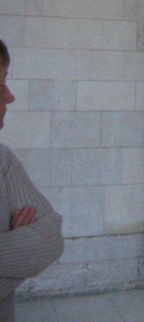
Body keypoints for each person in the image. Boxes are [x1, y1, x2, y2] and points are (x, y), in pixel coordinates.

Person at [0, 39, 64, 321]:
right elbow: (31, 253)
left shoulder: (3, 161)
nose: (10, 96)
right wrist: (17, 250)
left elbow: (50, 238)